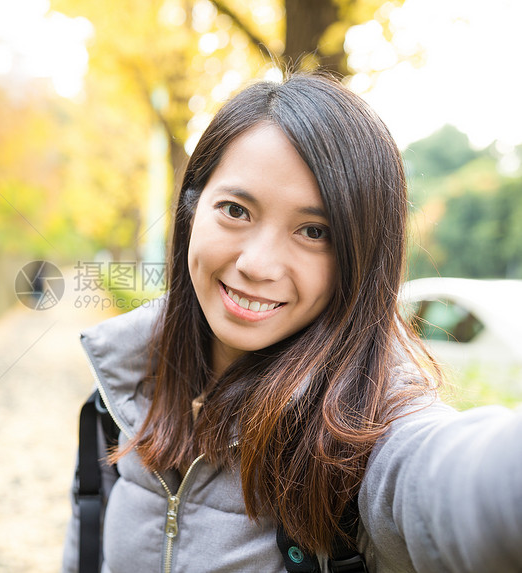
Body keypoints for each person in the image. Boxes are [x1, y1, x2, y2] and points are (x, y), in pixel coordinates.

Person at [61, 73, 522, 573]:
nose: (258, 264)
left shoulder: (362, 434)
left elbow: (450, 479)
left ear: (361, 257)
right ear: (192, 213)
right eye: (235, 210)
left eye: (313, 231)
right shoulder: (125, 388)